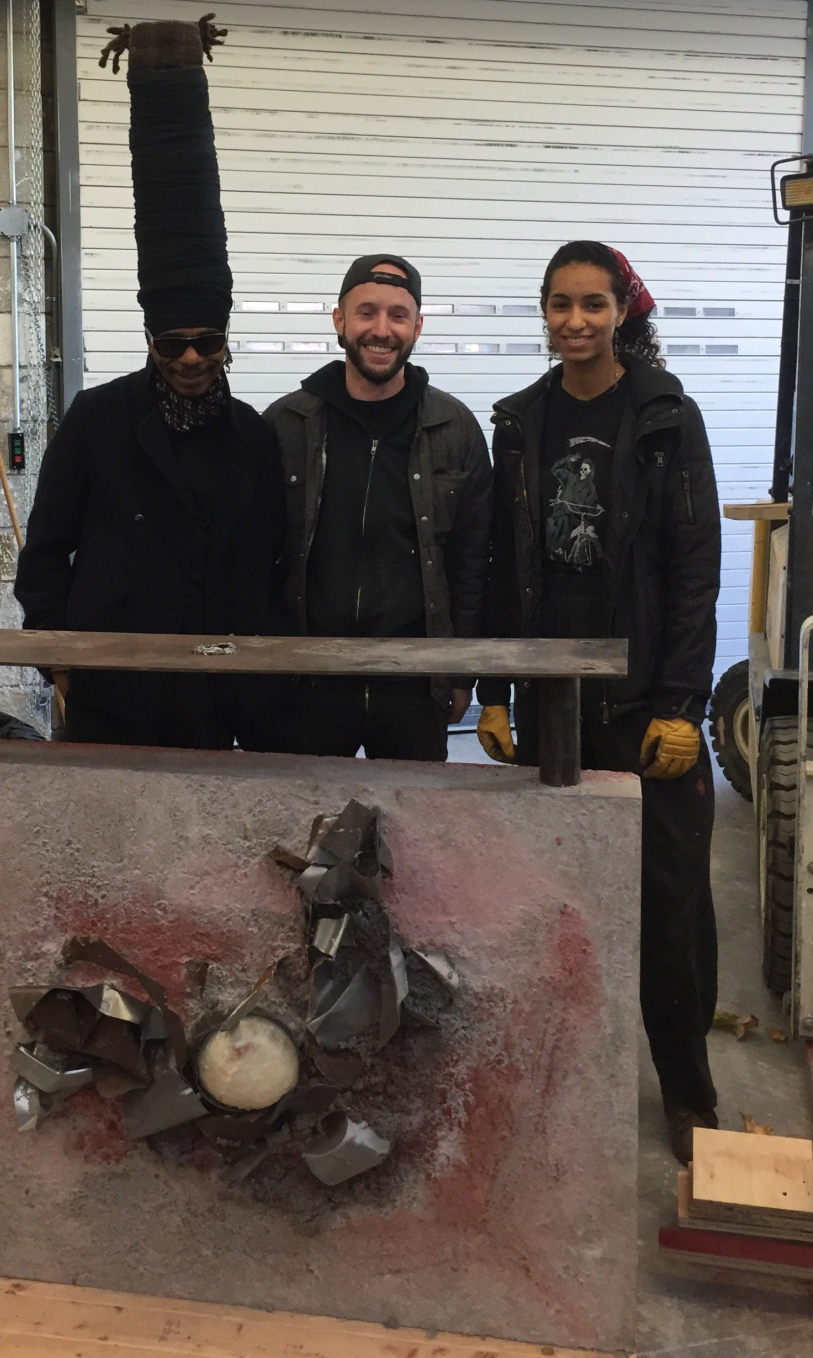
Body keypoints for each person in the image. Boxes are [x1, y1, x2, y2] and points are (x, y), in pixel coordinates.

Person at [476, 240, 721, 1165]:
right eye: (558, 305)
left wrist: (682, 705)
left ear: (623, 312)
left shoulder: (664, 417)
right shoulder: (523, 422)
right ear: (542, 313)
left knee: (669, 903)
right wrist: (497, 692)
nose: (574, 321)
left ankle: (688, 1091)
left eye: (592, 304)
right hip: (554, 707)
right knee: (554, 896)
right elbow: (503, 566)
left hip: (643, 704)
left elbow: (695, 570)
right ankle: (563, 1074)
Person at [14, 16, 285, 749]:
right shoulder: (99, 420)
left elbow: (271, 564)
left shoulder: (254, 437)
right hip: (113, 692)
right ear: (150, 341)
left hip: (220, 698)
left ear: (225, 344)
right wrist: (56, 657)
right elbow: (45, 552)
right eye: (175, 344)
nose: (192, 359)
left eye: (207, 343)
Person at [263, 255, 492, 761]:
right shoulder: (284, 425)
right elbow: (255, 560)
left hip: (413, 685)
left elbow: (472, 564)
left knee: (413, 831)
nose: (381, 330)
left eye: (398, 315)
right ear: (340, 320)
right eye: (367, 312)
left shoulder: (455, 430)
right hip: (308, 684)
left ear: (418, 327)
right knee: (303, 832)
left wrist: (460, 672)